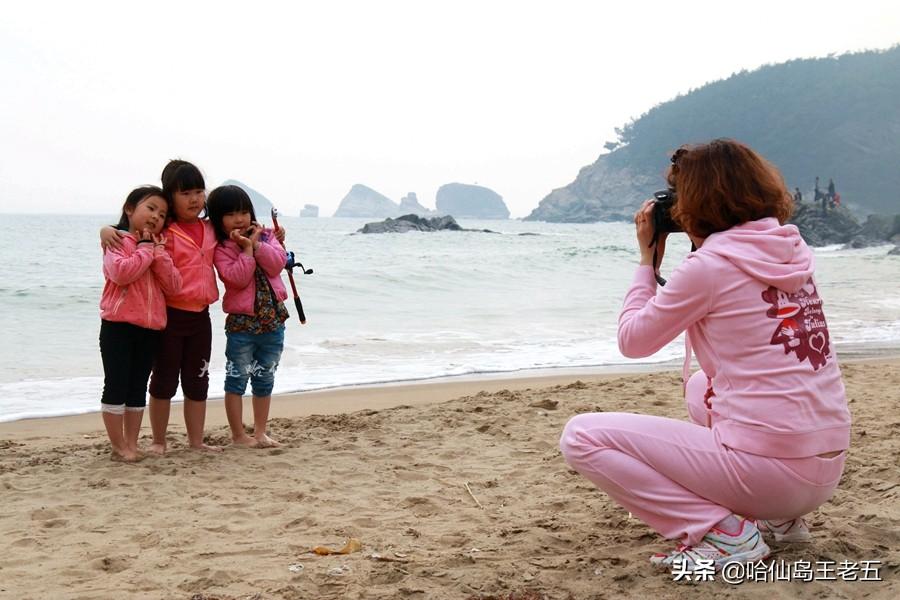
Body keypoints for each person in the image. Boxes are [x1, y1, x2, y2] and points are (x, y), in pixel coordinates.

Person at [559, 139, 850, 570]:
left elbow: (633, 341)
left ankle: (726, 535)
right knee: (700, 386)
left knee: (581, 436)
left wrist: (646, 262)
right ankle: (784, 522)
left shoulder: (709, 268)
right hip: (824, 467)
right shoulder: (790, 251)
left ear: (694, 201)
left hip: (772, 474)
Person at [102, 160, 222, 453]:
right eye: (185, 193)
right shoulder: (163, 232)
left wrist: (270, 237)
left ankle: (196, 441)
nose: (194, 199)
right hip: (169, 316)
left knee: (198, 381)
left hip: (201, 316)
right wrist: (105, 229)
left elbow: (238, 227)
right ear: (171, 197)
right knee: (163, 382)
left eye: (198, 191)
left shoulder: (211, 228)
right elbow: (129, 234)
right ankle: (158, 441)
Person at [99, 186, 182, 461]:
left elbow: (174, 286)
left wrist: (158, 253)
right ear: (130, 209)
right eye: (151, 208)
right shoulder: (116, 241)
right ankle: (119, 446)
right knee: (116, 385)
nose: (156, 216)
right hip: (118, 326)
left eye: (162, 214)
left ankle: (131, 445)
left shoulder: (157, 248)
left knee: (136, 388)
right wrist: (145, 250)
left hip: (150, 329)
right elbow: (122, 273)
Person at [207, 185, 288, 448]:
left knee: (265, 378)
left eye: (243, 212)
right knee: (236, 379)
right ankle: (239, 435)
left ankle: (261, 432)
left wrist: (258, 244)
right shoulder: (222, 248)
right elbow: (238, 279)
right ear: (219, 219)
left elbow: (278, 264)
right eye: (230, 214)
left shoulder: (265, 236)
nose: (239, 219)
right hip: (242, 325)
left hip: (273, 321)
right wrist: (246, 250)